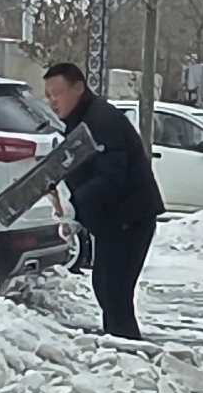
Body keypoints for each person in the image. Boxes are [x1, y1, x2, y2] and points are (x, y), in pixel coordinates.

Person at [44, 61, 163, 341]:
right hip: (115, 221)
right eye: (47, 95)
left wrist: (75, 205)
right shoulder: (80, 121)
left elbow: (111, 174)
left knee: (114, 291)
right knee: (105, 287)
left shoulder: (101, 120)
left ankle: (127, 350)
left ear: (79, 88)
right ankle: (123, 348)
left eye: (57, 93)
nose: (52, 102)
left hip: (130, 219)